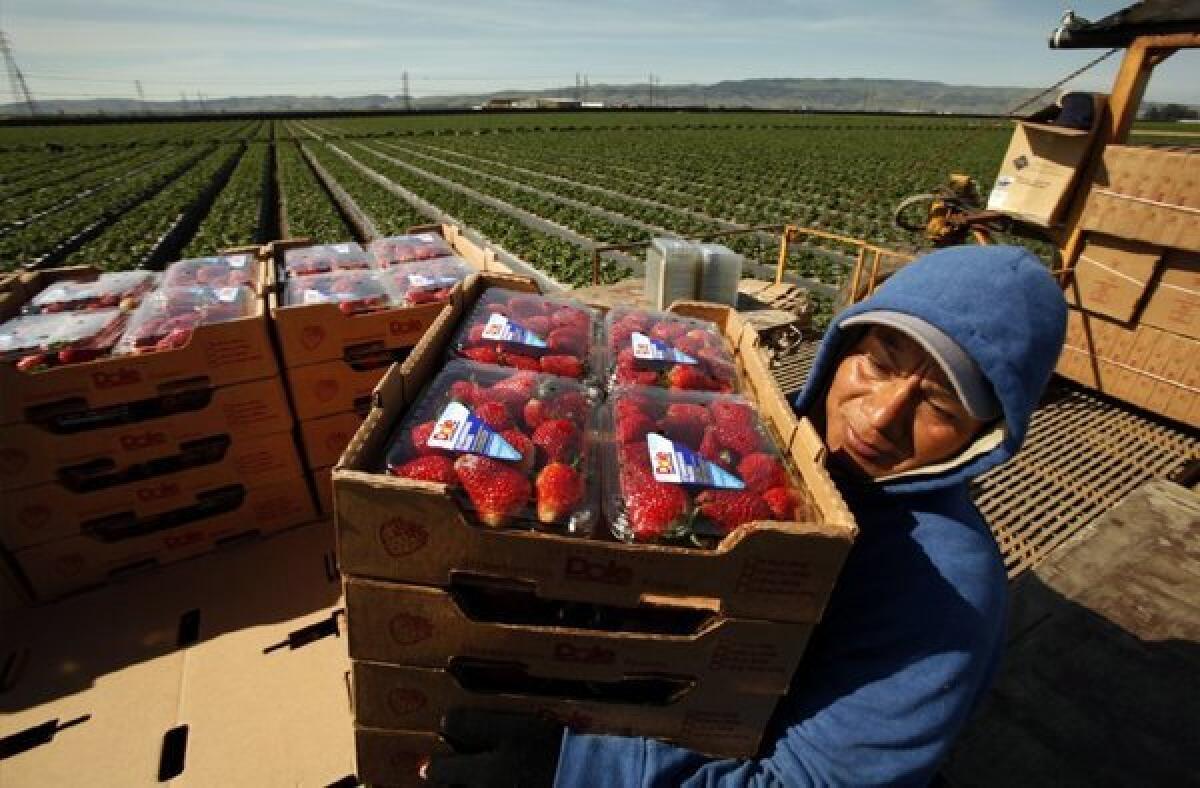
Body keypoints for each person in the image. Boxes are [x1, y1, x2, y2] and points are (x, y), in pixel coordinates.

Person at [425, 244, 1068, 787]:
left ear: (986, 436)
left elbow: (808, 782)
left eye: (939, 407)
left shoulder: (943, 592)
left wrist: (572, 767)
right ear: (844, 345)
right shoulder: (751, 427)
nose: (880, 416)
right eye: (878, 363)